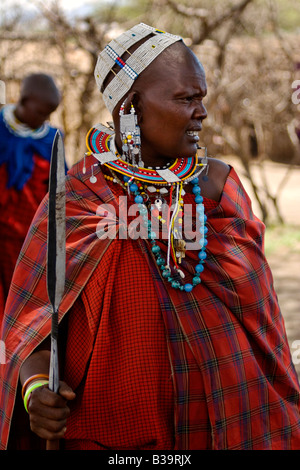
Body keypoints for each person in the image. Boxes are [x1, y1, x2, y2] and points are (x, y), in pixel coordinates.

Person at [1, 23, 300, 451]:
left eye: (201, 97)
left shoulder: (219, 187)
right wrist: (35, 391)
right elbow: (32, 329)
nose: (202, 112)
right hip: (116, 437)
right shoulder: (81, 197)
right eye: (185, 98)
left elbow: (262, 326)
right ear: (131, 106)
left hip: (236, 426)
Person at [0, 73, 62, 322]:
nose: (46, 119)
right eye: (41, 112)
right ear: (23, 101)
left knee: (26, 304)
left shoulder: (51, 139)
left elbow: (59, 186)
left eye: (50, 114)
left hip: (33, 237)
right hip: (1, 232)